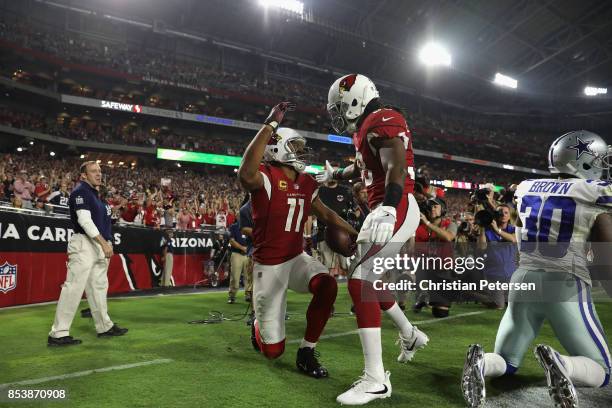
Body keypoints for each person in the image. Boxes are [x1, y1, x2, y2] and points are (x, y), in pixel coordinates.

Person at [462, 130, 612, 408]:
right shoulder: (595, 192)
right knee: (602, 370)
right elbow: (606, 256)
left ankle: (481, 364)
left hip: (523, 279)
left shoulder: (528, 187)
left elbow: (520, 234)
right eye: (602, 160)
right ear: (585, 162)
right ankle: (563, 364)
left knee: (506, 361)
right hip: (565, 282)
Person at [318, 74, 428, 405]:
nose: (337, 114)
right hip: (382, 207)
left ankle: (376, 379)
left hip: (394, 205)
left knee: (361, 280)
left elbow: (394, 165)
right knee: (369, 278)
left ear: (356, 98)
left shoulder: (383, 119)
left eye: (340, 107)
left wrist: (390, 208)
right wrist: (335, 175)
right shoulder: (367, 127)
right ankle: (409, 334)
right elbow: (361, 167)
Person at [238, 101, 358, 379]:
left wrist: (355, 233)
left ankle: (306, 351)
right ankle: (258, 323)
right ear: (277, 148)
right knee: (273, 352)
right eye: (296, 147)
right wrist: (270, 125)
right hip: (268, 267)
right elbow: (245, 173)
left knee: (327, 285)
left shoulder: (306, 183)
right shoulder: (266, 177)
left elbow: (327, 214)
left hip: (295, 259)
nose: (302, 152)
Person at [47, 161, 128, 346]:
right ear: (84, 175)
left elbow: (104, 222)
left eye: (100, 171)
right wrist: (103, 242)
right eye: (94, 171)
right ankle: (58, 334)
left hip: (99, 244)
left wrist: (108, 242)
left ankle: (104, 326)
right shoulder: (80, 191)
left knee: (98, 288)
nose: (99, 174)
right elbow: (84, 220)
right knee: (73, 287)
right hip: (84, 243)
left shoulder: (97, 196)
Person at [413, 197, 457, 317]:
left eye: (435, 206)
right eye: (430, 206)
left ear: (443, 209)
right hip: (425, 269)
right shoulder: (418, 226)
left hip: (443, 270)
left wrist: (427, 223)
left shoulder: (450, 224)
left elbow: (448, 237)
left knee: (441, 313)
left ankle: (428, 298)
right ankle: (422, 294)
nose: (432, 208)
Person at [476, 204, 517, 309]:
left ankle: (490, 294)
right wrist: (482, 227)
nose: (503, 215)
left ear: (509, 216)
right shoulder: (488, 230)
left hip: (510, 274)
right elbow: (481, 247)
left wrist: (497, 230)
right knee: (499, 305)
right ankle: (469, 293)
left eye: (506, 213)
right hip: (494, 274)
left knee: (514, 303)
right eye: (500, 212)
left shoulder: (513, 229)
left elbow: (513, 239)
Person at [227, 218, 248, 304]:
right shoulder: (233, 227)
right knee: (235, 277)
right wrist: (243, 248)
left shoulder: (249, 227)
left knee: (249, 278)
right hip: (237, 254)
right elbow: (231, 241)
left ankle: (248, 295)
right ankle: (232, 296)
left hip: (248, 255)